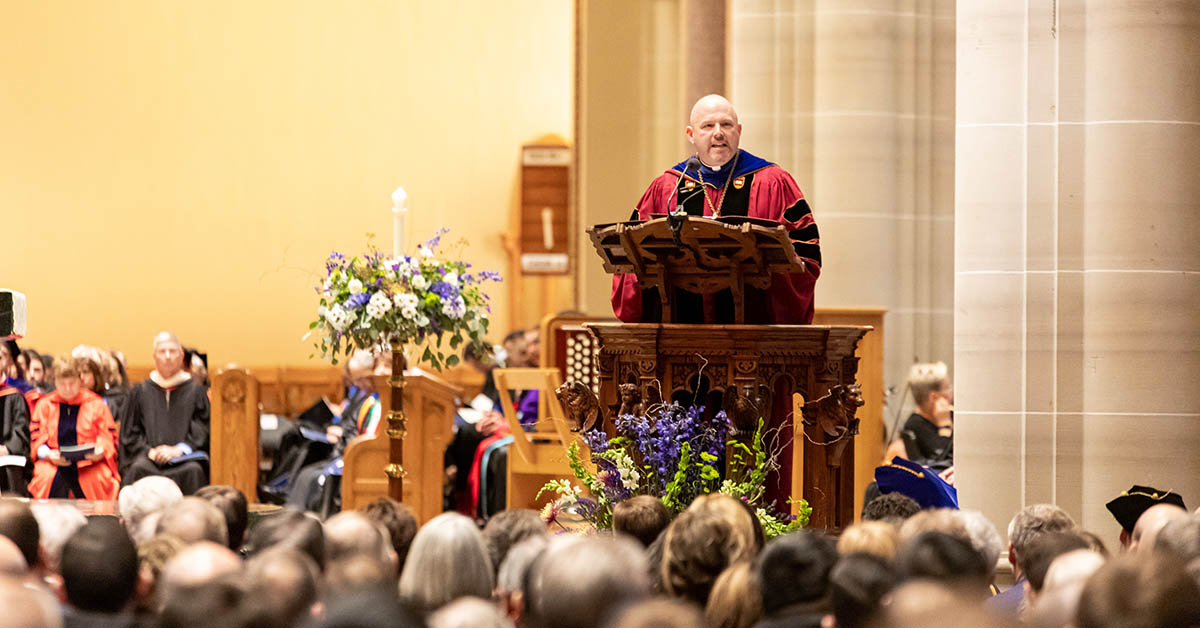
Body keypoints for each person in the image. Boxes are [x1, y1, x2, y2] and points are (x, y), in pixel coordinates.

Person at [611, 94, 821, 325]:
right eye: (708, 126)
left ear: (738, 130)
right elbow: (631, 258)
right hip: (681, 337)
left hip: (755, 337)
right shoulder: (668, 187)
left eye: (726, 124)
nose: (718, 133)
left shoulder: (773, 182)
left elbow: (805, 255)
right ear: (691, 135)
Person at [118, 332, 210, 494]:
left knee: (194, 471)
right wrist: (150, 452)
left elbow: (202, 430)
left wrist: (178, 450)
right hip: (149, 460)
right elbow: (130, 435)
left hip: (184, 460)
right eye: (162, 351)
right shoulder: (139, 392)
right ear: (154, 357)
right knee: (137, 469)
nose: (167, 356)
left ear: (181, 356)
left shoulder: (197, 392)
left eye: (172, 351)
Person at [28, 359, 120, 500]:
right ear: (55, 382)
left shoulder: (96, 404)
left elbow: (107, 437)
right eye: (62, 384)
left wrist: (100, 452)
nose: (68, 389)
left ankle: (98, 520)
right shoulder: (45, 405)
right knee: (44, 477)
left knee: (99, 479)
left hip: (89, 464)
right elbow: (36, 438)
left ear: (80, 380)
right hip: (53, 463)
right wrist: (47, 454)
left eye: (72, 383)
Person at [891, 362, 953, 469]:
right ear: (934, 397)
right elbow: (943, 462)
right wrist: (944, 425)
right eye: (947, 388)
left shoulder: (950, 416)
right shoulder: (915, 425)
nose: (951, 393)